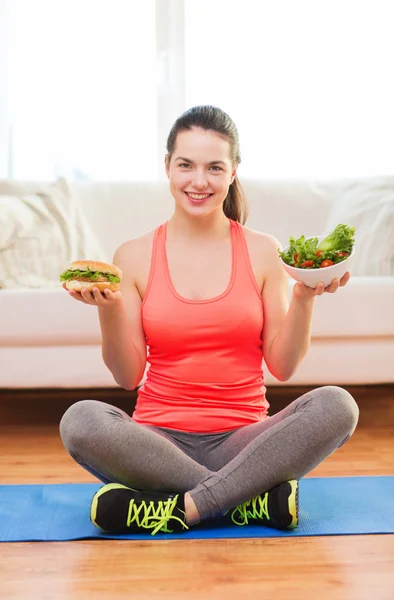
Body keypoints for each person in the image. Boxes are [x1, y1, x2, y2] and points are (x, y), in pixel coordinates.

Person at [60, 105, 359, 536]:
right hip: (158, 443)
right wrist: (108, 311)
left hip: (247, 443)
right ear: (167, 167)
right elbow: (129, 377)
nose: (199, 182)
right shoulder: (133, 255)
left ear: (233, 172)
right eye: (186, 165)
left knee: (338, 405)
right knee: (80, 420)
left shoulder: (262, 251)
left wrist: (304, 298)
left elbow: (283, 366)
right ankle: (248, 501)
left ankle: (177, 506)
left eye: (214, 168)